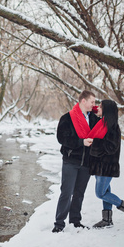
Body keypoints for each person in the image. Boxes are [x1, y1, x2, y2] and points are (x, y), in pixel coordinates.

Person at [52, 90, 106, 233]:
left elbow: (103, 130)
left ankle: (75, 221)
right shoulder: (67, 118)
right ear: (83, 101)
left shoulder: (94, 119)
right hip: (71, 161)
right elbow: (61, 139)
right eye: (92, 102)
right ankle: (59, 224)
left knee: (79, 193)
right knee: (66, 192)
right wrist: (81, 142)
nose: (94, 105)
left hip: (87, 162)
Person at [88, 100, 124, 228]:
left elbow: (111, 147)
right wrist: (90, 108)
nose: (99, 108)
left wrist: (94, 143)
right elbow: (94, 113)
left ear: (107, 110)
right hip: (100, 165)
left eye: (101, 107)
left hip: (107, 166)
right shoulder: (102, 123)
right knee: (106, 190)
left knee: (100, 193)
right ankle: (107, 220)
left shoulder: (112, 127)